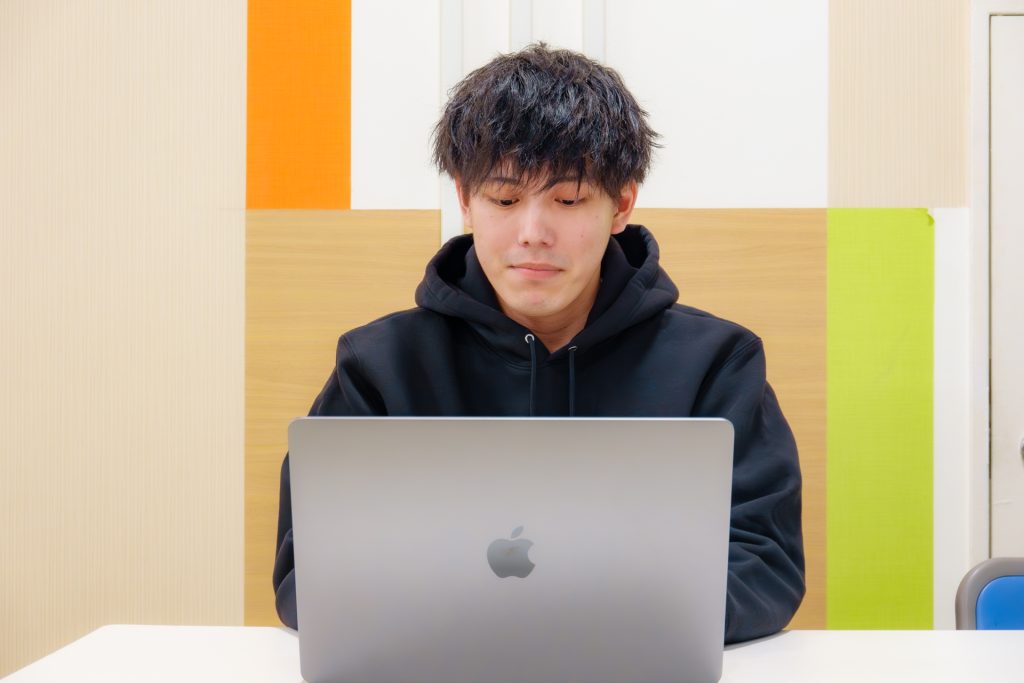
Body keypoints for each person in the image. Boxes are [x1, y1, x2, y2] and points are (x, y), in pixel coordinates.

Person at [273, 43, 804, 644]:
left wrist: (584, 633)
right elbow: (308, 578)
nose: (532, 233)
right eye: (504, 200)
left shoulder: (717, 364)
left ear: (621, 204)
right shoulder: (379, 366)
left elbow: (765, 566)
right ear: (465, 201)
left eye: (568, 200)